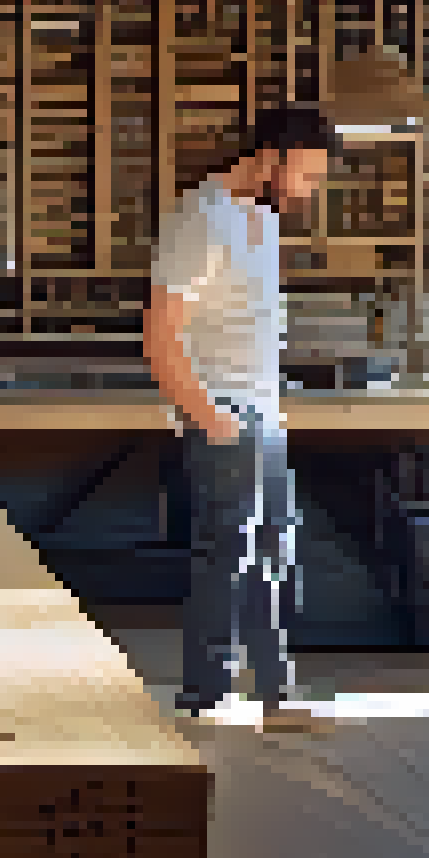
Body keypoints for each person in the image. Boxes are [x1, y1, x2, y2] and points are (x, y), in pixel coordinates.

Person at [145, 104, 337, 731]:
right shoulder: (199, 222)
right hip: (226, 412)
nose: (311, 189)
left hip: (263, 411)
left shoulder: (260, 218)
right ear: (271, 157)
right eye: (307, 172)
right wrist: (212, 418)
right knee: (226, 553)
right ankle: (204, 699)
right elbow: (160, 338)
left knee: (272, 552)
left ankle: (274, 696)